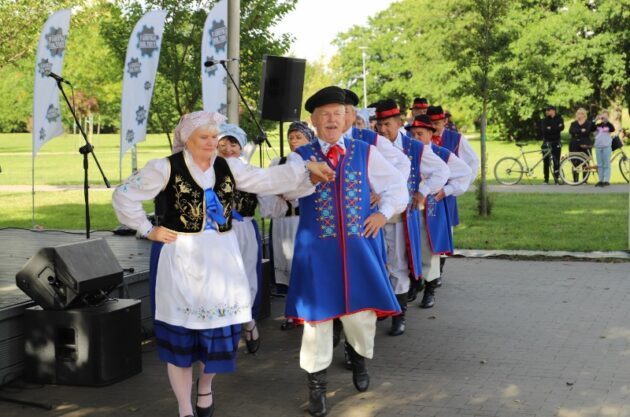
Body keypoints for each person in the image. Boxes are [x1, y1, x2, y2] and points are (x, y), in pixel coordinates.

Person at [112, 111, 334, 417]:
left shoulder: (228, 166)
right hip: (182, 257)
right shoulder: (164, 168)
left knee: (216, 330)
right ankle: (184, 408)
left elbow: (266, 179)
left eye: (215, 137)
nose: (212, 143)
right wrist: (147, 229)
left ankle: (205, 386)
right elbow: (124, 195)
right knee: (182, 336)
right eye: (204, 137)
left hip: (221, 257)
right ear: (186, 140)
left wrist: (307, 168)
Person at [283, 86, 408, 417]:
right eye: (324, 115)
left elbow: (396, 185)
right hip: (317, 252)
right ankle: (317, 387)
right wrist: (305, 176)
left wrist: (383, 212)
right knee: (317, 320)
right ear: (313, 120)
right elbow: (285, 193)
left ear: (348, 118)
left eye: (337, 114)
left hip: (358, 249)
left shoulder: (365, 151)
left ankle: (360, 361)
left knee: (360, 316)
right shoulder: (300, 156)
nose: (331, 120)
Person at [375, 99, 449, 327]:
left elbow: (442, 170)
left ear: (398, 123)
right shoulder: (372, 146)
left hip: (401, 217)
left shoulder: (414, 148)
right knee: (378, 263)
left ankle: (400, 315)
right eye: (380, 124)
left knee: (399, 263)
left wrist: (422, 192)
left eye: (387, 124)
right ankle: (383, 307)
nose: (383, 129)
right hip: (373, 217)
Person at [406, 115, 472, 308]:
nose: (416, 138)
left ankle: (430, 289)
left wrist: (447, 190)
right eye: (413, 134)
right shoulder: (407, 153)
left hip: (433, 209)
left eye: (420, 134)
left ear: (430, 134)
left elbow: (465, 172)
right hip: (411, 209)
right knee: (412, 246)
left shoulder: (442, 154)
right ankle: (414, 282)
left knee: (430, 249)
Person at [258, 121, 315, 331]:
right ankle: (292, 313)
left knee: (303, 264)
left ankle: (308, 311)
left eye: (299, 137)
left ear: (309, 139)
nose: (293, 141)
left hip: (303, 221)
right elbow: (267, 186)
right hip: (283, 221)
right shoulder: (278, 162)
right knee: (286, 264)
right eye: (291, 137)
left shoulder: (314, 162)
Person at [217, 123, 262, 354]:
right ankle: (229, 333)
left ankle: (248, 321)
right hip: (216, 232)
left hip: (243, 229)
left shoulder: (252, 172)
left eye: (232, 143)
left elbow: (270, 203)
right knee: (222, 281)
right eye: (222, 144)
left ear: (241, 146)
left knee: (245, 277)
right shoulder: (206, 173)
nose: (227, 148)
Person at [425, 105, 479, 287]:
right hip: (427, 194)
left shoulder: (456, 139)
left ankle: (438, 273)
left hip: (447, 194)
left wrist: (458, 186)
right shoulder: (421, 140)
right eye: (432, 123)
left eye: (438, 123)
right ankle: (426, 274)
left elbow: (472, 162)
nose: (435, 127)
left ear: (445, 122)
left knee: (445, 230)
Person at [540, 105, 565, 185]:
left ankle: (556, 179)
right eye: (546, 110)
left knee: (556, 161)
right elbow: (544, 130)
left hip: (556, 142)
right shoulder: (544, 120)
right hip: (546, 142)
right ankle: (546, 179)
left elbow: (561, 128)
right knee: (546, 161)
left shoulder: (559, 119)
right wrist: (555, 128)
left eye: (548, 110)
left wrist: (550, 128)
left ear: (553, 110)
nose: (546, 111)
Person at [568, 108, 594, 183]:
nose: (579, 115)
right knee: (575, 161)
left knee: (585, 162)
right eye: (578, 113)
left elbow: (587, 132)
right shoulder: (573, 123)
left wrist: (577, 132)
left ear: (584, 115)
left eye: (581, 113)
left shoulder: (588, 123)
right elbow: (571, 131)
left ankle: (584, 180)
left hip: (585, 144)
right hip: (574, 144)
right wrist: (580, 130)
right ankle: (575, 180)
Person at [593, 110, 615, 187]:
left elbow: (612, 129)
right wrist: (595, 120)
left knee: (606, 164)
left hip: (606, 147)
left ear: (608, 117)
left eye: (605, 116)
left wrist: (607, 121)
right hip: (598, 146)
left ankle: (606, 180)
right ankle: (601, 180)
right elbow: (591, 128)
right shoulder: (598, 125)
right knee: (600, 164)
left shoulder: (609, 125)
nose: (604, 117)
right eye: (603, 116)